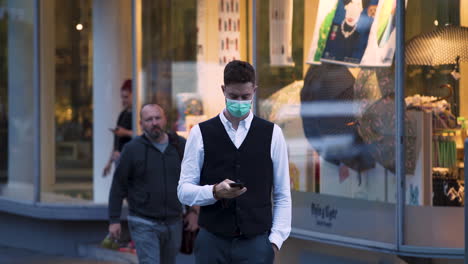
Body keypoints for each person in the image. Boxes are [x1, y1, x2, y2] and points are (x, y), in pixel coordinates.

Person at [177, 60, 292, 263]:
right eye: (233, 96)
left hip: (256, 243)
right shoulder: (200, 133)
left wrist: (274, 242)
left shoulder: (273, 134)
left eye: (245, 97)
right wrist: (213, 192)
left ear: (254, 91)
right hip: (212, 241)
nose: (239, 102)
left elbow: (282, 194)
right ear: (223, 90)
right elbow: (183, 191)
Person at [108, 103, 199, 264]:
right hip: (143, 222)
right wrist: (114, 220)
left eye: (158, 118)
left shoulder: (180, 145)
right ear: (141, 124)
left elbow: (194, 179)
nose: (154, 122)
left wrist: (194, 212)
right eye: (149, 119)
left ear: (165, 120)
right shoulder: (131, 149)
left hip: (174, 221)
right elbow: (118, 185)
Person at [103, 79, 133, 176]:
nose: (123, 100)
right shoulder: (122, 114)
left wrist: (125, 133)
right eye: (122, 97)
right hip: (119, 161)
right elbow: (116, 142)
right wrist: (109, 163)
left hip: (131, 163)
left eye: (126, 97)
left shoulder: (139, 114)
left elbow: (143, 135)